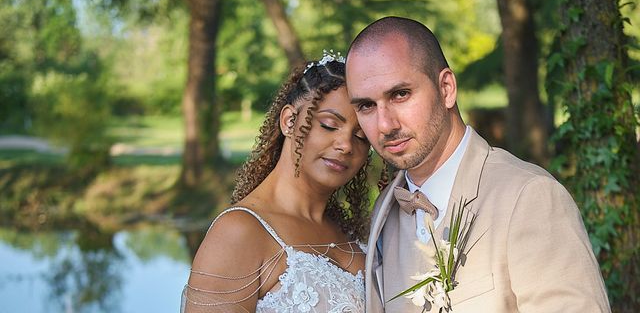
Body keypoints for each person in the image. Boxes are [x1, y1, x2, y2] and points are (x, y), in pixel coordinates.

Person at [345, 16, 610, 313]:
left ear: (446, 88)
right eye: (366, 106)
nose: (385, 125)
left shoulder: (529, 197)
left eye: (400, 94)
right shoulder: (383, 213)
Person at [181, 52, 371, 313]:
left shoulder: (352, 233)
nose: (346, 145)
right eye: (329, 125)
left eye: (361, 137)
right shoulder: (239, 232)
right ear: (289, 121)